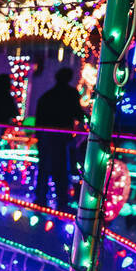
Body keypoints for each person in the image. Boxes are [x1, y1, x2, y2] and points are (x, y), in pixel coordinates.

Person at [34, 67, 86, 209]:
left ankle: (40, 199)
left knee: (44, 169)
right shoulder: (70, 94)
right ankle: (62, 201)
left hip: (46, 137)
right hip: (62, 138)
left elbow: (39, 119)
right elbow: (78, 113)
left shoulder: (47, 96)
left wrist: (39, 136)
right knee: (61, 170)